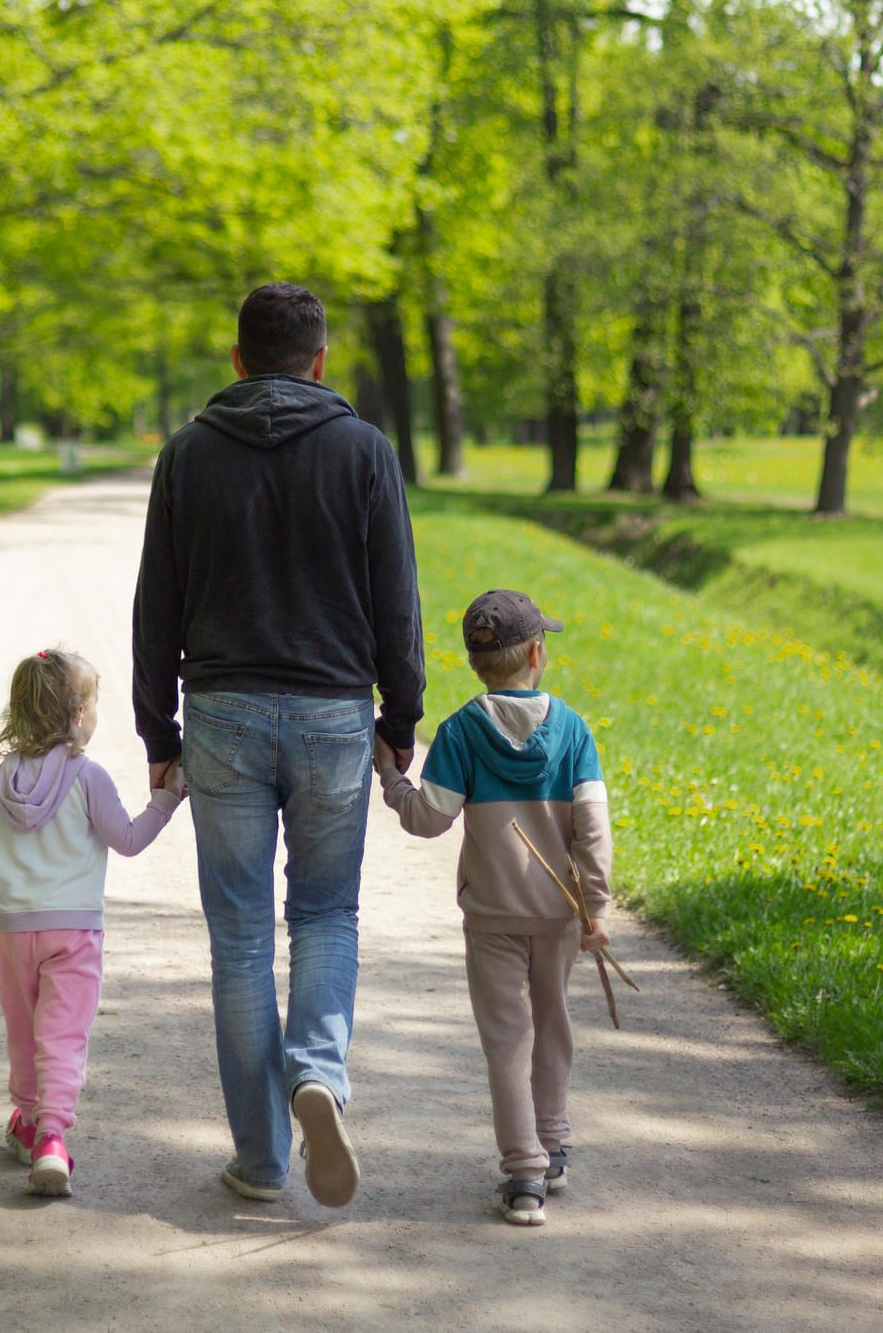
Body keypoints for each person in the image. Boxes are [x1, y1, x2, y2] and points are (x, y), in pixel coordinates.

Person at [132, 281, 424, 1208]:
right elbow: (397, 602)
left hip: (220, 713)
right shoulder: (365, 452)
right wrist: (400, 718)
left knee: (242, 937)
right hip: (336, 713)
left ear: (238, 360)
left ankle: (260, 1158)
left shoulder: (186, 455)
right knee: (327, 915)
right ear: (321, 359)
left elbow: (156, 606)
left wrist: (157, 730)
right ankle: (319, 1078)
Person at [374, 590, 612, 1227]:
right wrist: (595, 906)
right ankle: (552, 1143)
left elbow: (428, 819)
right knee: (553, 1027)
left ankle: (525, 1176)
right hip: (559, 917)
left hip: (492, 920)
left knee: (509, 1040)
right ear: (537, 652)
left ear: (476, 663)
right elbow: (592, 825)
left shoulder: (459, 733)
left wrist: (391, 780)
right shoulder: (574, 731)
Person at [0, 649, 184, 1196]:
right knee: (61, 1035)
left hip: (14, 932)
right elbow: (128, 841)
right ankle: (52, 1138)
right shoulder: (90, 777)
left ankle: (28, 1119)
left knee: (23, 1030)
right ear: (79, 713)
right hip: (74, 933)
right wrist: (168, 799)